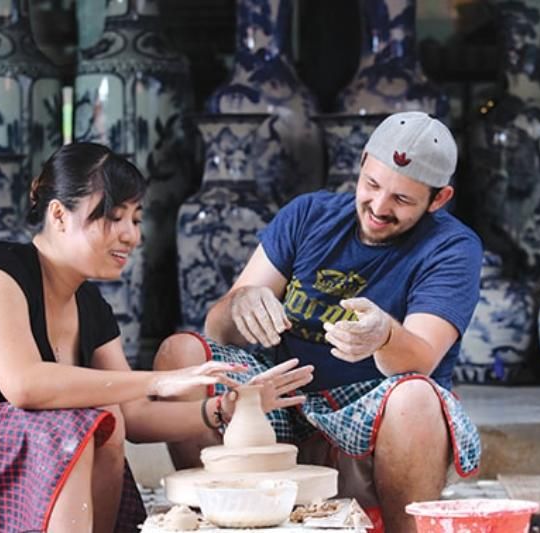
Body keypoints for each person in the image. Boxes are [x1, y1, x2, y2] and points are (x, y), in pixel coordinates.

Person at [0, 142, 314, 533]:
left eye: (136, 217)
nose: (131, 235)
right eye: (112, 217)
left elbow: (131, 416)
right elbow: (25, 385)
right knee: (75, 426)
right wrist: (155, 380)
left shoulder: (90, 306)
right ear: (59, 215)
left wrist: (228, 408)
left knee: (101, 418)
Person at [155, 112, 483, 532]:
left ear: (438, 199)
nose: (380, 207)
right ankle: (222, 520)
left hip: (371, 413)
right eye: (373, 185)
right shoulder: (309, 214)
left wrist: (384, 334)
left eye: (402, 200)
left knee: (417, 397)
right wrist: (241, 303)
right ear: (362, 163)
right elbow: (216, 330)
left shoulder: (452, 247)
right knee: (180, 353)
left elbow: (420, 358)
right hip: (286, 402)